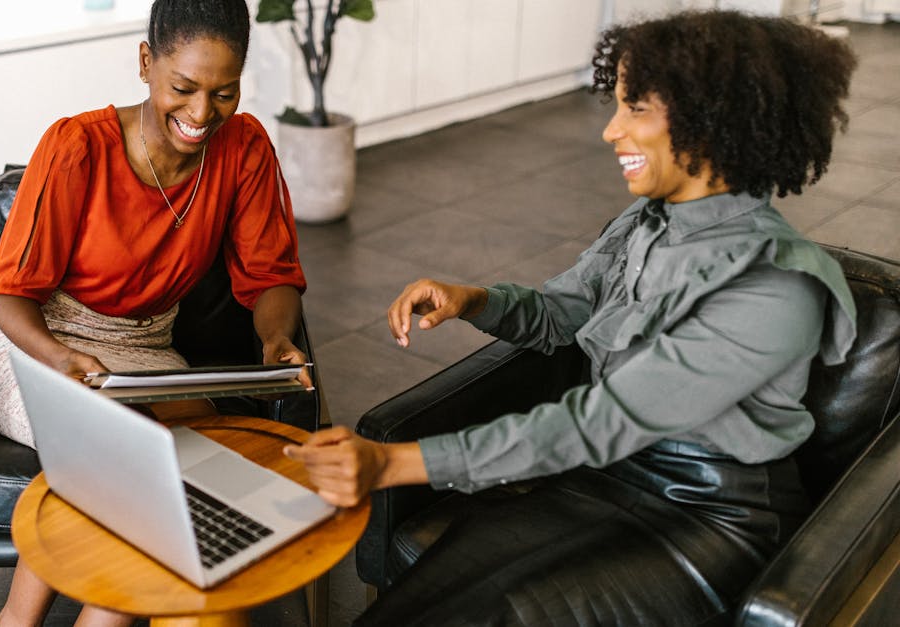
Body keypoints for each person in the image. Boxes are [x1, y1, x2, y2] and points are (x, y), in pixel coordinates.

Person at [284, 10, 859, 626]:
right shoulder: (644, 226)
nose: (611, 131)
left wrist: (392, 463)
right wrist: (474, 300)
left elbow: (603, 419)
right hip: (605, 476)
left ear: (713, 116)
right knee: (428, 597)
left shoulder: (776, 283)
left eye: (635, 108)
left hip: (711, 519)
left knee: (506, 610)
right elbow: (561, 316)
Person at [0, 1, 308, 625]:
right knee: (121, 459)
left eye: (224, 92)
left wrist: (276, 338)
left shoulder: (245, 148)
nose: (202, 114)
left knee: (200, 460)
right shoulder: (76, 146)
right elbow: (10, 297)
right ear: (146, 62)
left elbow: (273, 277)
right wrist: (60, 359)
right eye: (182, 88)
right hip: (40, 342)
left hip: (148, 350)